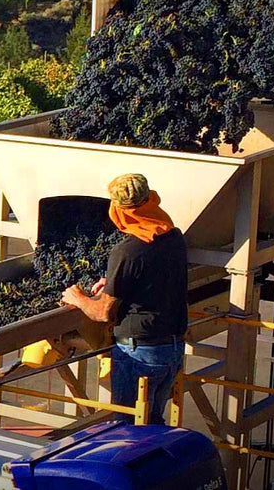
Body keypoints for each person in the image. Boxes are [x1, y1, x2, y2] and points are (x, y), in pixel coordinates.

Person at [60, 173, 188, 425]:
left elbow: (103, 313)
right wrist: (114, 283)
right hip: (171, 349)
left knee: (128, 427)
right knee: (152, 423)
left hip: (139, 352)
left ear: (118, 210)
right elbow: (153, 276)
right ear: (152, 200)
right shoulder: (174, 237)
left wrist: (78, 298)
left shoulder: (127, 251)